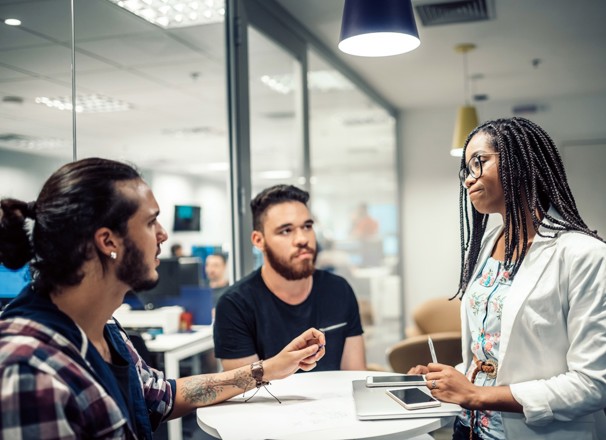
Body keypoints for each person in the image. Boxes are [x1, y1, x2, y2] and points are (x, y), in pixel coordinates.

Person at [0, 158, 326, 439]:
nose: (163, 235)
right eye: (150, 221)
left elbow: (163, 397)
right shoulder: (29, 369)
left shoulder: (105, 330)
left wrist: (267, 369)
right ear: (108, 241)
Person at [409, 117, 606, 439]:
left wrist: (476, 395)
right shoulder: (487, 247)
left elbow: (594, 384)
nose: (468, 180)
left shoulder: (585, 255)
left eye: (479, 162)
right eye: (465, 170)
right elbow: (489, 359)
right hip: (471, 428)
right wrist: (449, 379)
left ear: (518, 163)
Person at [214, 184, 366, 372]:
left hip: (338, 401)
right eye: (286, 230)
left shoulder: (339, 290)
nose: (302, 239)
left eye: (307, 226)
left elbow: (354, 377)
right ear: (259, 241)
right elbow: (245, 394)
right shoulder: (234, 305)